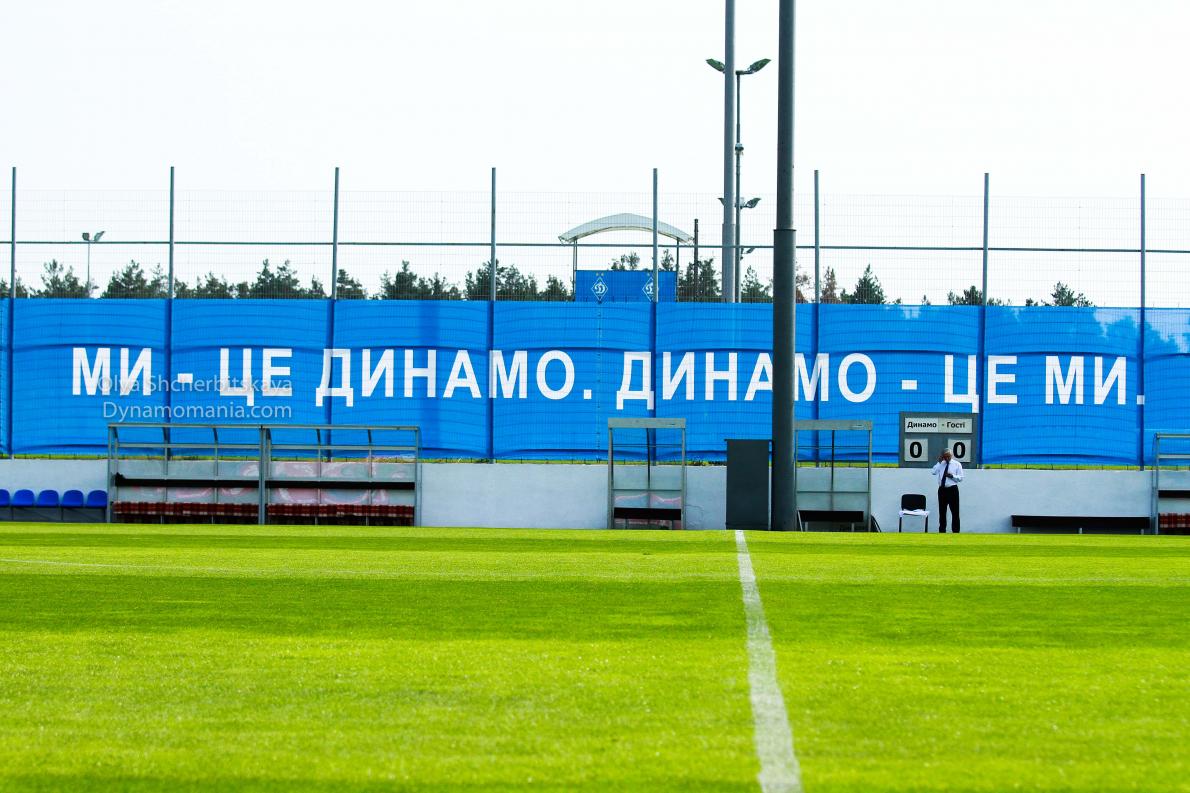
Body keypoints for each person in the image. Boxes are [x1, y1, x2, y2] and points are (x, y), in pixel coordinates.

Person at [931, 449, 963, 533]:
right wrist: (939, 462)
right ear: (943, 457)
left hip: (952, 489)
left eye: (949, 456)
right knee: (942, 511)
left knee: (955, 512)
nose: (947, 458)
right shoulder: (941, 464)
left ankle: (955, 531)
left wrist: (952, 476)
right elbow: (933, 472)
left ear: (951, 455)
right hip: (942, 490)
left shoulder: (957, 464)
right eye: (945, 457)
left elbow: (961, 478)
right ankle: (942, 530)